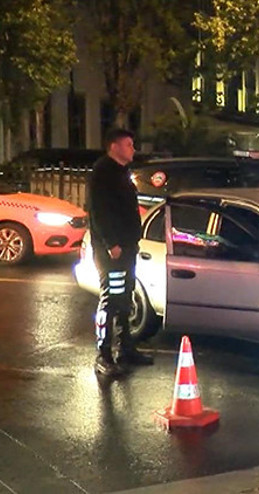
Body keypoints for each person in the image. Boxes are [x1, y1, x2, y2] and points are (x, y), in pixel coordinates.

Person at [86, 128, 153, 377]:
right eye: (128, 144)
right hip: (112, 252)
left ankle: (126, 349)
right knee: (111, 301)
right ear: (114, 146)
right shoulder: (103, 173)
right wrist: (111, 243)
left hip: (126, 248)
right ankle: (103, 355)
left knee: (125, 299)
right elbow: (100, 211)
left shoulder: (121, 172)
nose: (133, 149)